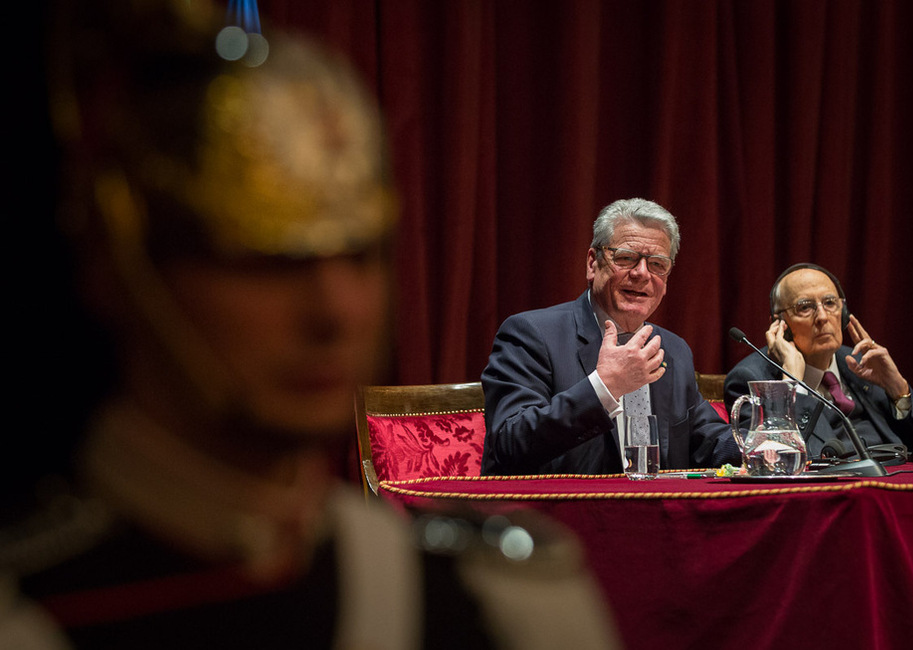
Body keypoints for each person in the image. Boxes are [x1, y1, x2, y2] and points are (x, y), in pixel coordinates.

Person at [4, 2, 622, 648]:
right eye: (267, 260)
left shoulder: (498, 602)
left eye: (360, 254)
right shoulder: (27, 615)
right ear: (121, 269)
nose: (335, 312)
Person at [481, 198, 739, 475]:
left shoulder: (672, 350)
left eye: (657, 264)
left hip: (654, 512)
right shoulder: (532, 334)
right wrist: (605, 388)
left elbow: (707, 441)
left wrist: (770, 442)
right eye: (626, 258)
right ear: (593, 264)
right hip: (556, 513)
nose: (642, 273)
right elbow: (509, 442)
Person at [723, 263, 913, 459]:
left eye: (829, 303)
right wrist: (793, 384)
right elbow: (775, 460)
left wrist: (898, 390)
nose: (822, 317)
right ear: (780, 325)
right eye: (805, 307)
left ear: (844, 313)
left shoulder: (862, 364)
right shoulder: (751, 378)